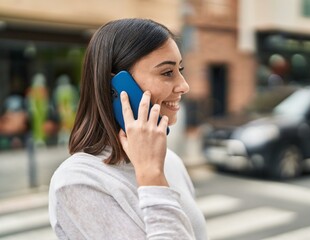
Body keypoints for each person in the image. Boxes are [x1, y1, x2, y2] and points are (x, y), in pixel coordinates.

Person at [48, 18, 208, 240]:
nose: (184, 85)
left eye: (180, 69)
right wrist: (152, 178)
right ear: (118, 87)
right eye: (167, 72)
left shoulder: (169, 160)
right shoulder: (78, 181)